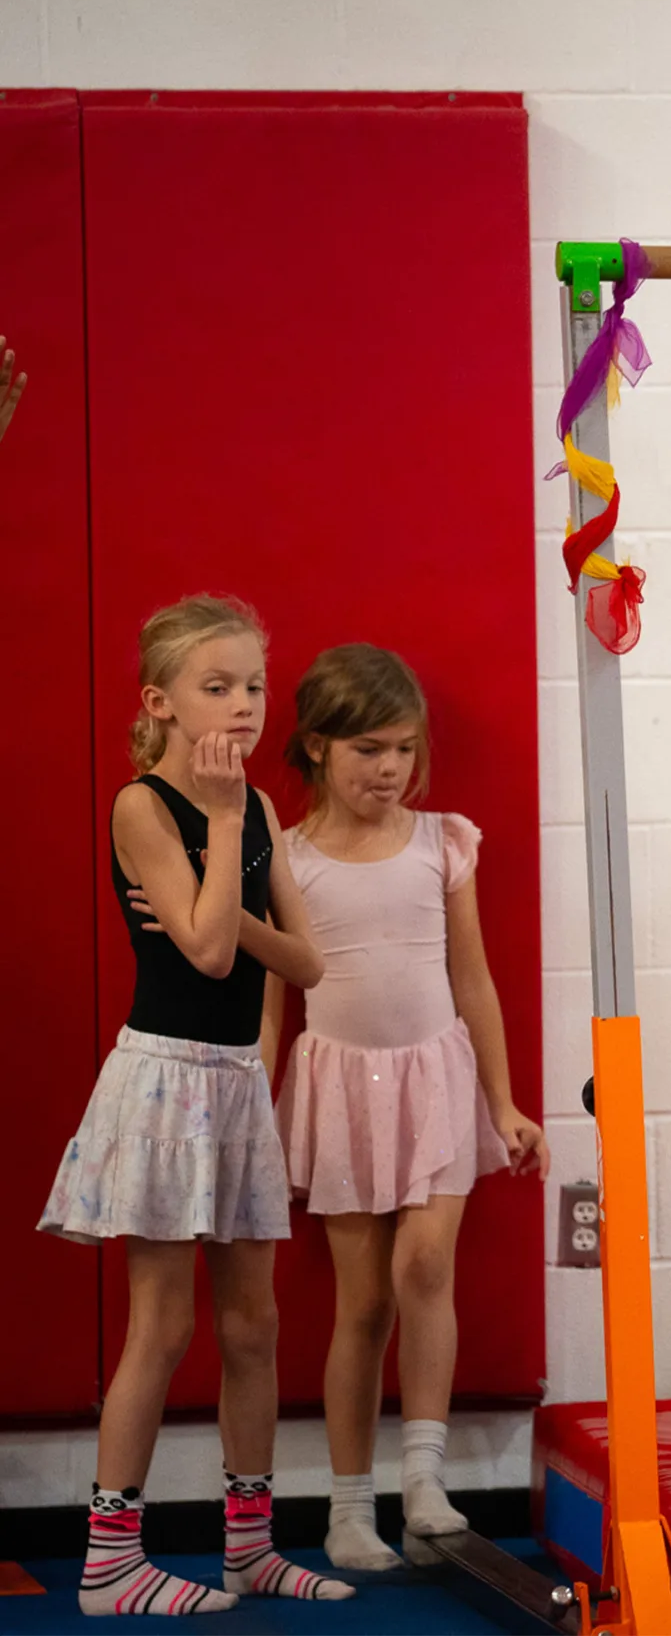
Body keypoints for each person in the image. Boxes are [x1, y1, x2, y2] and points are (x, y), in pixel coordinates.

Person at [41, 595, 352, 1615]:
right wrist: (219, 842)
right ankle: (110, 1558)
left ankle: (250, 1542)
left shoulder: (259, 812)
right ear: (159, 702)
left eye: (253, 686)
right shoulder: (147, 806)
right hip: (168, 1073)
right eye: (216, 687)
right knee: (162, 1325)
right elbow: (210, 953)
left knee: (252, 1326)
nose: (242, 706)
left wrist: (226, 877)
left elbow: (299, 957)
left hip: (235, 1079)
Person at [256, 643, 548, 1571]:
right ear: (314, 748)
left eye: (405, 751)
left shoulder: (441, 842)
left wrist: (503, 1103)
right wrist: (256, 1114)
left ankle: (423, 1476)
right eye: (370, 750)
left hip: (434, 1081)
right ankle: (348, 1503)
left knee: (426, 1267)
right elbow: (273, 1008)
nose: (391, 770)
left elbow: (474, 977)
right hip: (340, 1087)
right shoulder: (290, 862)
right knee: (365, 1300)